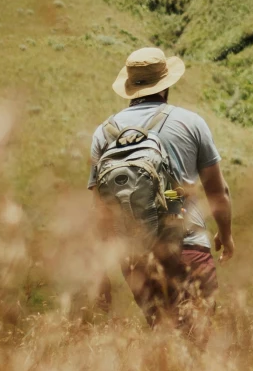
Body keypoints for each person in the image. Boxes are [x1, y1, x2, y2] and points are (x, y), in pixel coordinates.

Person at [89, 47, 234, 328]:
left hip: (136, 259)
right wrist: (226, 236)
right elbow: (219, 193)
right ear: (166, 84)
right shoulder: (191, 123)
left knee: (163, 343)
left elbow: (101, 211)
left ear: (130, 87)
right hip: (188, 247)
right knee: (199, 343)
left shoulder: (103, 134)